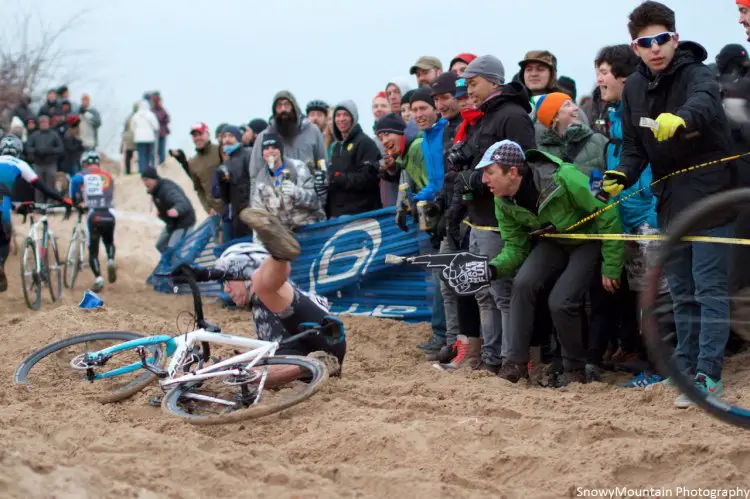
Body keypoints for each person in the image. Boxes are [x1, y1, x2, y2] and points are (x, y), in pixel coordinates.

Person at [602, 1, 735, 405]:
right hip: (670, 200)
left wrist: (682, 118)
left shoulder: (699, 73)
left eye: (662, 39)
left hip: (713, 196)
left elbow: (705, 103)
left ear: (674, 39)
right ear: (636, 47)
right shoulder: (636, 88)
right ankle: (682, 369)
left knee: (710, 287)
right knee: (680, 289)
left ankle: (707, 375)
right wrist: (622, 173)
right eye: (646, 42)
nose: (655, 48)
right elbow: (632, 144)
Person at [472, 140, 624, 385]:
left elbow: (609, 209)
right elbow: (515, 246)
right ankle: (515, 364)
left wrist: (612, 265)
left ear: (512, 172)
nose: (483, 181)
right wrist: (493, 269)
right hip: (554, 242)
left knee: (561, 301)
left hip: (589, 240)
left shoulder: (567, 175)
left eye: (489, 172)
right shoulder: (502, 200)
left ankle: (574, 368)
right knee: (522, 284)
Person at [449, 54, 536, 373]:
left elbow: (524, 168)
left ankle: (509, 359)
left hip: (500, 223)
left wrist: (473, 178)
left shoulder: (512, 116)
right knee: (483, 294)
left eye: (473, 83)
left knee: (502, 293)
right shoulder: (485, 117)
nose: (468, 91)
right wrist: (465, 173)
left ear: (493, 81)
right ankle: (490, 356)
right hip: (478, 219)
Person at [175, 223, 346, 381]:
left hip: (325, 337)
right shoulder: (258, 307)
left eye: (228, 281)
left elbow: (263, 278)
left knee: (264, 286)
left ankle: (279, 255)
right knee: (245, 374)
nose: (226, 289)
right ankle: (314, 366)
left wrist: (206, 273)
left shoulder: (265, 291)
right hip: (301, 354)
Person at [0, 135, 75, 291]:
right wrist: (62, 200)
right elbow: (42, 188)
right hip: (3, 201)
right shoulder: (21, 164)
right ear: (18, 151)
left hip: (7, 199)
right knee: (4, 239)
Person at [252, 132, 325, 229]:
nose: (270, 151)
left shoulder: (299, 168)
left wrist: (297, 192)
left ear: (281, 150)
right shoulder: (261, 179)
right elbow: (259, 214)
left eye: (274, 147)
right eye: (266, 148)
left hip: (310, 227)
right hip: (285, 235)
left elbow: (316, 202)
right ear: (262, 154)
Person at [250, 91, 327, 182]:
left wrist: (322, 190)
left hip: (308, 192)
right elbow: (256, 172)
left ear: (294, 107)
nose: (283, 109)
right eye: (279, 106)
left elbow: (322, 163)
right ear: (274, 109)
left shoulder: (312, 131)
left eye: (287, 105)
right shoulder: (264, 136)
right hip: (276, 192)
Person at [69, 150, 117, 292]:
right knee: (109, 241)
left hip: (93, 214)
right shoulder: (108, 176)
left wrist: (76, 202)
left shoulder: (81, 175)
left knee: (93, 250)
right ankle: (110, 260)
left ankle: (98, 278)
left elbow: (74, 190)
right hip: (110, 213)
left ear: (84, 163)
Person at [327, 100, 382, 217]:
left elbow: (369, 178)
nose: (341, 119)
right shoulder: (336, 147)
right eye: (337, 115)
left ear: (353, 118)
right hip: (337, 214)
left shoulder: (365, 143)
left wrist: (339, 178)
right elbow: (333, 177)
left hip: (361, 213)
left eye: (345, 115)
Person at [535, 92, 607, 175]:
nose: (576, 108)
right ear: (555, 117)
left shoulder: (599, 140)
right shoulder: (543, 153)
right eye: (567, 105)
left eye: (573, 103)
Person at [170, 122, 224, 217]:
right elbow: (199, 189)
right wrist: (208, 208)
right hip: (215, 212)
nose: (197, 138)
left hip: (230, 207)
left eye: (200, 134)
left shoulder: (220, 150)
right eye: (194, 135)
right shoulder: (192, 163)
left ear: (208, 134)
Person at [142, 167, 196, 254]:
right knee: (160, 245)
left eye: (146, 180)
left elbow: (182, 202)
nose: (145, 183)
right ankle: (171, 264)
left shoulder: (167, 189)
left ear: (154, 178)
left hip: (184, 221)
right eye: (143, 180)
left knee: (174, 249)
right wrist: (162, 213)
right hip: (172, 223)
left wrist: (176, 210)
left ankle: (179, 265)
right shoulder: (155, 190)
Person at [217, 125, 253, 239]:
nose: (227, 139)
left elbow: (256, 182)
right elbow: (226, 199)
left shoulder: (248, 154)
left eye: (231, 136)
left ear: (238, 138)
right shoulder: (226, 165)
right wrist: (222, 183)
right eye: (224, 137)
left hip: (253, 213)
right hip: (237, 217)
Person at [26, 114, 64, 202]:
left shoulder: (54, 135)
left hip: (50, 164)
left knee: (50, 185)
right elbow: (28, 147)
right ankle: (39, 205)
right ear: (39, 124)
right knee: (38, 186)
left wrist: (50, 150)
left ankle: (50, 204)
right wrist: (36, 150)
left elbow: (60, 148)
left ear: (49, 123)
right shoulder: (34, 135)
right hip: (38, 164)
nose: (43, 124)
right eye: (42, 123)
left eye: (45, 122)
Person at [130, 100, 160, 172]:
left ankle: (142, 170)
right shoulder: (150, 115)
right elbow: (156, 126)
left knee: (141, 155)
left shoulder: (135, 116)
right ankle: (151, 169)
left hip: (139, 138)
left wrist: (137, 132)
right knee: (150, 154)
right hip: (150, 138)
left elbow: (132, 127)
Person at [149, 92, 170, 164]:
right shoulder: (153, 111)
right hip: (155, 132)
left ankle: (162, 161)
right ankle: (156, 161)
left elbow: (167, 119)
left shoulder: (163, 110)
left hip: (163, 132)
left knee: (162, 148)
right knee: (155, 149)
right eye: (160, 101)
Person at [121, 103, 137, 175]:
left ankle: (127, 170)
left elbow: (125, 129)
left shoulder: (129, 117)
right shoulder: (138, 117)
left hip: (128, 138)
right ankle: (139, 169)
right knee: (139, 154)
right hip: (136, 137)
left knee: (128, 155)